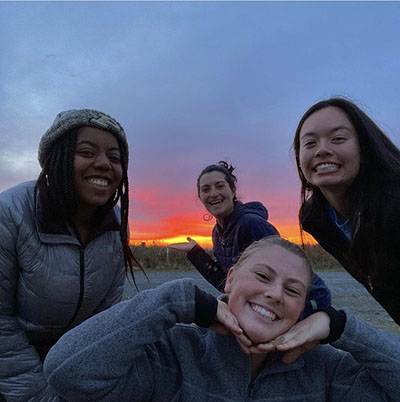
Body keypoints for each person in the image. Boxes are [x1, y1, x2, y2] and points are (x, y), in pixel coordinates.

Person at [43, 236, 400, 401]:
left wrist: (341, 327)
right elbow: (66, 373)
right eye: (262, 276)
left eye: (293, 291)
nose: (275, 294)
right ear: (229, 279)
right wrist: (177, 300)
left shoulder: (326, 369)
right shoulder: (176, 351)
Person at [0, 109, 140, 401]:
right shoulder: (12, 211)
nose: (104, 164)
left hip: (71, 359)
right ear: (58, 159)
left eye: (115, 158)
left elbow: (107, 315)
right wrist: (37, 395)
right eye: (87, 152)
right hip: (14, 364)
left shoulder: (115, 222)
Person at [168, 161, 331, 317]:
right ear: (200, 197)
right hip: (269, 307)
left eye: (220, 186)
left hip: (302, 306)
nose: (213, 194)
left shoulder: (251, 224)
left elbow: (285, 278)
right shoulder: (217, 233)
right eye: (206, 189)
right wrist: (195, 252)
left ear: (232, 190)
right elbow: (225, 282)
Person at [293, 97, 400, 325]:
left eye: (338, 139)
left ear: (365, 147)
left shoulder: (394, 204)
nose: (322, 150)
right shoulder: (316, 218)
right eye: (310, 143)